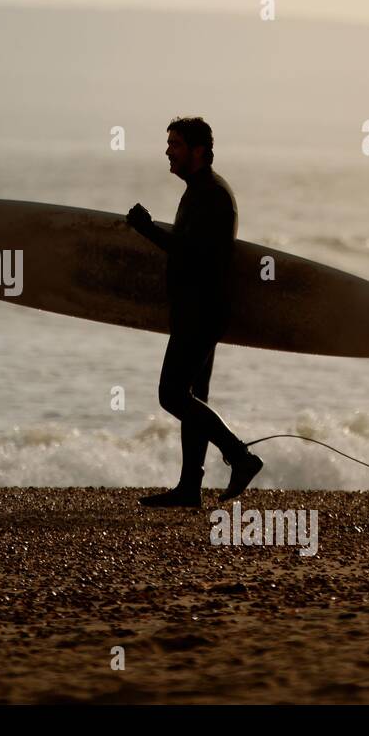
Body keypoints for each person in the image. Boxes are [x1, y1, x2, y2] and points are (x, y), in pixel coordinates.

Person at [127, 117, 264, 506]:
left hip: (202, 312)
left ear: (199, 151)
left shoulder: (212, 195)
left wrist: (146, 228)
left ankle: (240, 456)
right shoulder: (200, 190)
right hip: (198, 308)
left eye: (176, 144)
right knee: (193, 395)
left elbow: (192, 251)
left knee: (171, 395)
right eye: (169, 143)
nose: (168, 150)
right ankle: (190, 487)